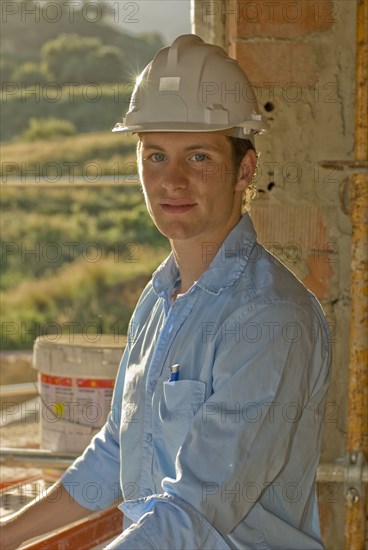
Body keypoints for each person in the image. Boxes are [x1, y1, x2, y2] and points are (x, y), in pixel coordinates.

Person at [2, 34, 331, 550]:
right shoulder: (160, 299)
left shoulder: (268, 317)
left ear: (246, 169)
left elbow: (193, 514)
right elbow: (115, 454)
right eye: (155, 155)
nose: (172, 179)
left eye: (198, 157)